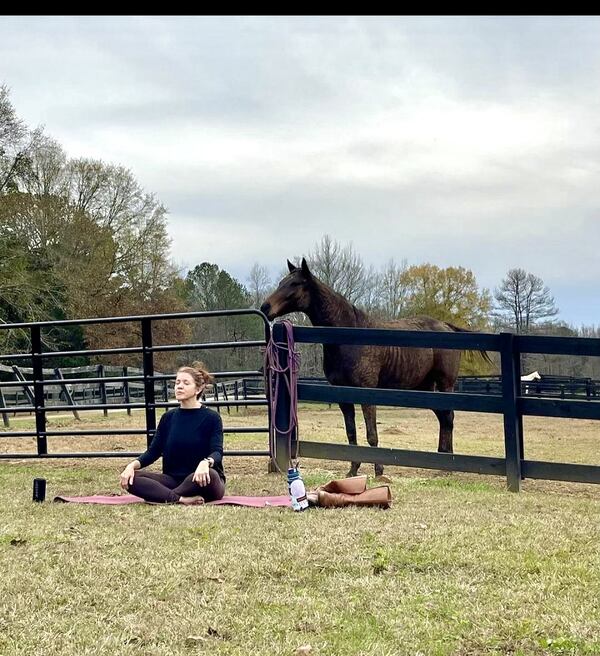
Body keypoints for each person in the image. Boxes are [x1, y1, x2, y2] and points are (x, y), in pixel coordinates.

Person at [119, 362, 225, 505]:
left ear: (198, 388)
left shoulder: (212, 417)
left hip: (202, 480)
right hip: (172, 480)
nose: (179, 386)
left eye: (186, 383)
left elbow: (217, 452)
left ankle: (162, 496)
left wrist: (206, 463)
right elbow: (153, 452)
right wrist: (131, 466)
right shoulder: (168, 417)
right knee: (132, 478)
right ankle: (179, 499)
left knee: (210, 475)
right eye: (177, 383)